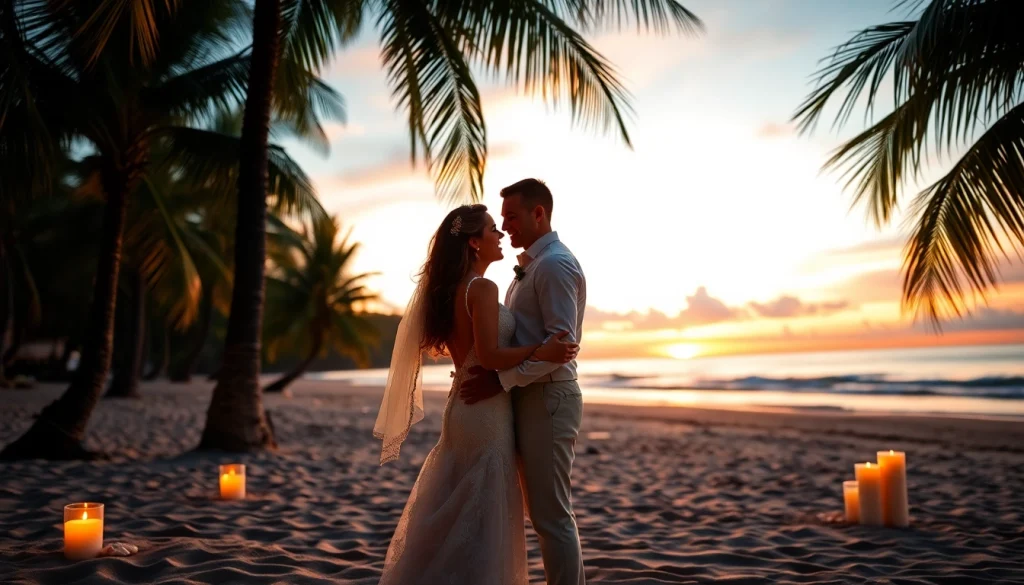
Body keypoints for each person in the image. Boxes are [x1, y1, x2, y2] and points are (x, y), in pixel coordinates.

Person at [374, 202, 578, 585]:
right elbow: (489, 356)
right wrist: (543, 351)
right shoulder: (481, 288)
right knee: (483, 518)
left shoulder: (453, 289)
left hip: (465, 406)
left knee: (461, 510)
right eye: (491, 229)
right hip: (485, 412)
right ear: (473, 242)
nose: (500, 234)